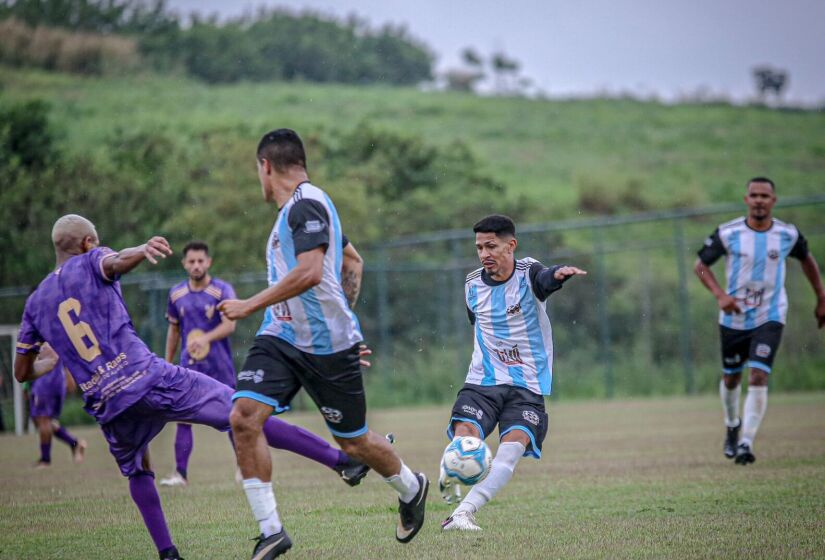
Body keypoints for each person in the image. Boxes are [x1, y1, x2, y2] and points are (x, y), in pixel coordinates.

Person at [14, 214, 370, 560]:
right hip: (149, 377)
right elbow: (116, 261)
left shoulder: (34, 305)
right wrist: (142, 248)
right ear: (88, 242)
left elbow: (22, 371)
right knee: (243, 412)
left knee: (139, 470)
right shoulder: (92, 259)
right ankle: (341, 461)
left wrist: (52, 358)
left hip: (108, 401)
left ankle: (168, 554)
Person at [220, 128, 428, 559]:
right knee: (243, 417)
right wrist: (344, 317)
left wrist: (249, 305)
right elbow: (352, 260)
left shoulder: (305, 204)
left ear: (265, 166)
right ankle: (271, 531)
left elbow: (312, 272)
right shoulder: (299, 210)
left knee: (354, 444)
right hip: (280, 338)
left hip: (325, 349)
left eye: (256, 171)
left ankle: (412, 488)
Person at [440, 214, 586, 532]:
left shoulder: (528, 272)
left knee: (512, 447)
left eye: (491, 246)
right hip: (483, 382)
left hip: (527, 384)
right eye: (479, 247)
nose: (484, 254)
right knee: (466, 438)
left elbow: (545, 280)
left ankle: (462, 513)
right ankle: (448, 474)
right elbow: (477, 324)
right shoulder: (472, 286)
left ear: (511, 245)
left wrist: (558, 275)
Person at [694, 177, 825, 464]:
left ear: (774, 201)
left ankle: (746, 443)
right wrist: (720, 296)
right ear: (746, 200)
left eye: (765, 195)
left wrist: (821, 297)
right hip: (733, 318)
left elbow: (808, 260)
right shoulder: (729, 233)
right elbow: (701, 266)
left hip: (771, 314)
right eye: (754, 195)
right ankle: (732, 425)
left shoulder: (787, 235)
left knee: (758, 375)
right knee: (731, 378)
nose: (759, 200)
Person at [159, 241, 238, 487]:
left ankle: (245, 468)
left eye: (200, 261)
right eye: (191, 261)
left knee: (235, 417)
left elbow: (230, 325)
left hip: (220, 367)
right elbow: (174, 331)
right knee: (183, 418)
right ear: (184, 264)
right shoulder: (176, 294)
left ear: (208, 262)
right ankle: (180, 474)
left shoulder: (222, 291)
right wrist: (167, 364)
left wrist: (205, 337)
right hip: (189, 368)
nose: (196, 265)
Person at [27, 343, 87, 468]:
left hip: (44, 385)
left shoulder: (40, 337)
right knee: (47, 422)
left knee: (43, 422)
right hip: (58, 384)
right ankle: (75, 443)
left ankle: (45, 460)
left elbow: (30, 361)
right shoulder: (56, 335)